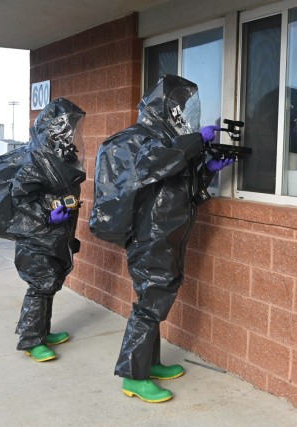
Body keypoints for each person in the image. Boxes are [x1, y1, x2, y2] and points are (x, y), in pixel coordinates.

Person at [89, 75, 234, 402]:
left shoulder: (169, 142)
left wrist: (208, 168)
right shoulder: (140, 140)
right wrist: (196, 141)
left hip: (166, 235)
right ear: (166, 108)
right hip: (149, 236)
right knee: (150, 305)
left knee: (154, 300)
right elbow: (154, 163)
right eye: (181, 107)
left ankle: (149, 363)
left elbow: (186, 189)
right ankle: (133, 375)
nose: (185, 114)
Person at [0, 98, 86, 362]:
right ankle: (30, 339)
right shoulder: (36, 158)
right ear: (53, 128)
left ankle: (41, 331)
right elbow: (20, 198)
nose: (72, 132)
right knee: (39, 286)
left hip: (55, 234)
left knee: (49, 284)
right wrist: (47, 213)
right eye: (67, 126)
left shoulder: (60, 155)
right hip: (37, 236)